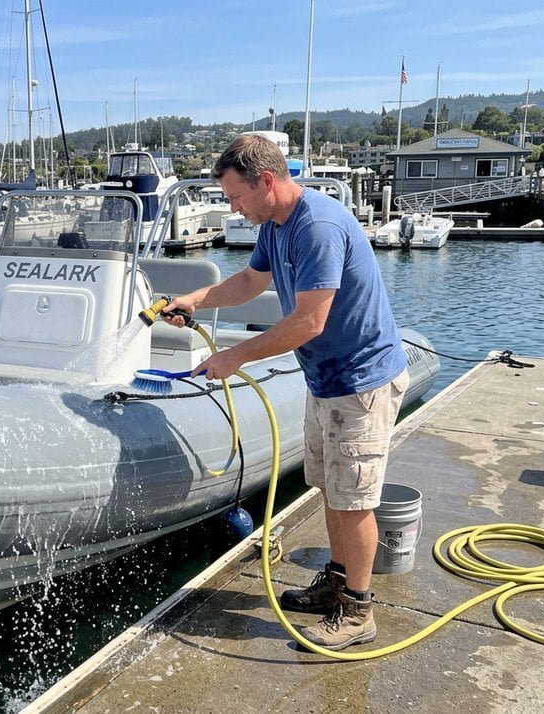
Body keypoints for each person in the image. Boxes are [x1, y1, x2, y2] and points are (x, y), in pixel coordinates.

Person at [161, 134, 409, 651]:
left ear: (267, 182)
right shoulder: (276, 224)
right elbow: (249, 285)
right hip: (328, 381)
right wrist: (193, 298)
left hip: (361, 381)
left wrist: (234, 356)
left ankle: (359, 612)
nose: (232, 207)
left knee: (355, 500)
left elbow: (309, 322)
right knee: (332, 490)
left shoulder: (316, 225)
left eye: (236, 197)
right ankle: (337, 585)